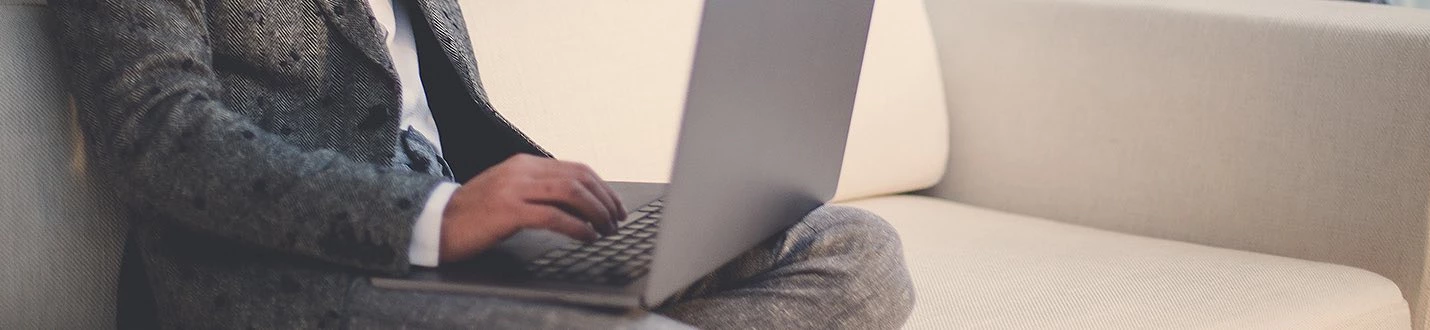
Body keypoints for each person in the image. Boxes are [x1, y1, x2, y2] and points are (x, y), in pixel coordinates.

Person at [52, 0, 915, 328]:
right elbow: (158, 135)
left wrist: (497, 204)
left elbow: (427, 101)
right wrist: (428, 219)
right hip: (287, 268)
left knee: (857, 253)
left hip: (465, 236)